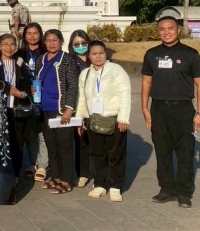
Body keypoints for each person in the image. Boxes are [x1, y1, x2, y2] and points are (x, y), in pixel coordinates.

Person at [141, 16, 200, 208]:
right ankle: (167, 189)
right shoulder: (152, 54)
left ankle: (184, 192)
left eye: (170, 28)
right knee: (162, 151)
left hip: (183, 109)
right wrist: (144, 108)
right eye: (162, 29)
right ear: (158, 32)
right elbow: (146, 83)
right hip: (159, 108)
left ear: (178, 30)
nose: (166, 32)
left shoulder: (190, 54)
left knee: (185, 152)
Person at [76, 41, 131, 202]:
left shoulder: (116, 70)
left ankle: (115, 185)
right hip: (93, 119)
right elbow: (81, 98)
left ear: (106, 54)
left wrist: (123, 118)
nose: (98, 56)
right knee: (97, 153)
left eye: (101, 53)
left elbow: (125, 93)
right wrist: (80, 120)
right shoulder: (85, 73)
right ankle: (100, 183)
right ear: (89, 56)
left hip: (114, 119)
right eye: (94, 54)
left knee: (116, 154)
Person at [34, 29, 79, 195]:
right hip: (44, 109)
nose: (51, 43)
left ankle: (67, 180)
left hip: (60, 109)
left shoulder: (67, 60)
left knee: (64, 146)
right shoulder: (41, 59)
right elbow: (37, 80)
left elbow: (72, 86)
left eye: (55, 40)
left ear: (61, 42)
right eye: (48, 40)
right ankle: (56, 176)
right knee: (51, 145)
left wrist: (69, 109)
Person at [0, 33, 34, 178]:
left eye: (12, 44)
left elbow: (27, 88)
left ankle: (15, 175)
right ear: (0, 46)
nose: (9, 47)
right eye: (5, 44)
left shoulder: (21, 65)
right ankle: (0, 174)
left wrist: (20, 94)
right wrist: (6, 88)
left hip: (16, 109)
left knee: (17, 143)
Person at [17, 22, 49, 181]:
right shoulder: (20, 53)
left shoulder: (46, 52)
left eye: (35, 33)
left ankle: (43, 165)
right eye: (29, 33)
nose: (32, 36)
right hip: (25, 97)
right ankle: (33, 163)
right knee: (30, 133)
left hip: (44, 96)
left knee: (42, 132)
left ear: (40, 35)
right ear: (24, 36)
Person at [69, 29, 92, 188]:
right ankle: (82, 173)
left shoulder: (96, 58)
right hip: (77, 105)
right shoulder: (70, 62)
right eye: (76, 44)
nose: (80, 46)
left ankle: (100, 174)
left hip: (96, 106)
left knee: (97, 142)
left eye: (83, 43)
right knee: (81, 141)